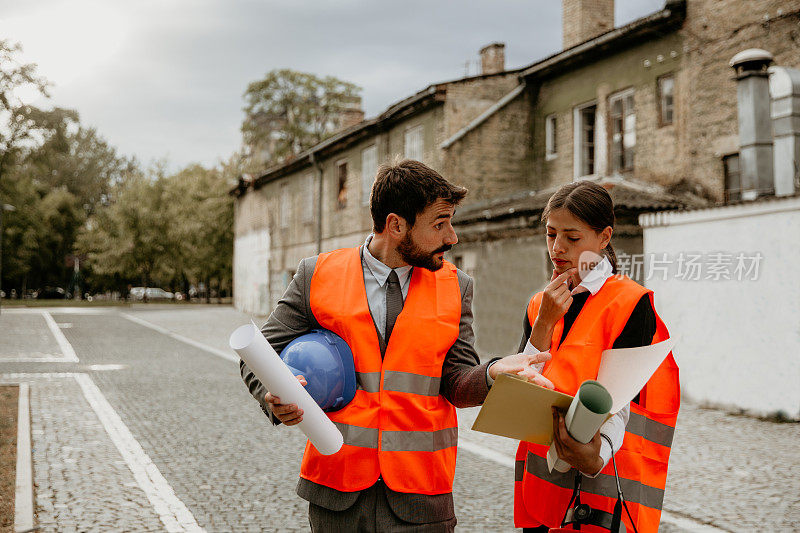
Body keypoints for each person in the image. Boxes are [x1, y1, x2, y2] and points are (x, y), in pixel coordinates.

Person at [241, 158, 549, 532]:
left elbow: (455, 381)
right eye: (439, 224)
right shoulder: (316, 274)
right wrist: (276, 398)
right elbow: (261, 354)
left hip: (421, 496)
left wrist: (492, 373)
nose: (452, 237)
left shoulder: (457, 286)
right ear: (395, 225)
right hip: (336, 491)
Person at [513, 181, 680, 533]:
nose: (557, 248)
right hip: (541, 487)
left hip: (600, 490)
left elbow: (624, 400)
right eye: (550, 234)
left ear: (604, 238)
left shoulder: (631, 303)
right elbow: (518, 387)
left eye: (572, 238)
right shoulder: (537, 304)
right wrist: (543, 323)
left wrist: (595, 455)